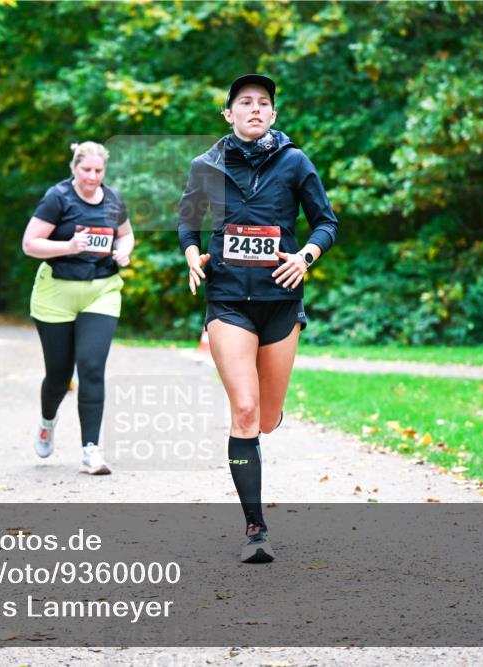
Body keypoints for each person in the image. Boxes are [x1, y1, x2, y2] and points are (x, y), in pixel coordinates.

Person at [177, 74, 339, 563]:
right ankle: (255, 529)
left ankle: (271, 411)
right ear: (228, 114)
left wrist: (305, 256)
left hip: (281, 302)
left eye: (263, 102)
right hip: (227, 299)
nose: (254, 108)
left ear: (273, 114)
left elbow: (326, 222)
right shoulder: (206, 165)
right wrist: (192, 255)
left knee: (266, 418)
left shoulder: (295, 162)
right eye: (244, 102)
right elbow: (188, 221)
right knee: (245, 411)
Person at [21, 141, 135, 475]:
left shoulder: (113, 200)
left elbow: (126, 235)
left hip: (102, 290)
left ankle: (91, 451)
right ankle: (47, 421)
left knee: (92, 367)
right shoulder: (57, 198)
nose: (93, 176)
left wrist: (124, 250)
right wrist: (68, 246)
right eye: (86, 170)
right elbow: (30, 244)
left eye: (99, 170)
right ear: (74, 168)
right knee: (59, 376)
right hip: (56, 293)